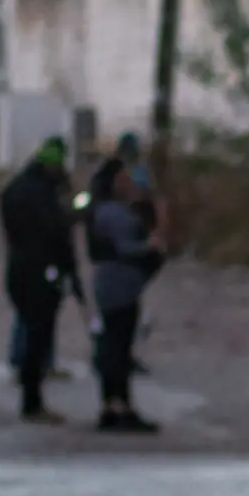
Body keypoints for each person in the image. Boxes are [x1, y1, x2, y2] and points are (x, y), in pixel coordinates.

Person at [0, 136, 82, 423]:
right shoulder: (47, 195)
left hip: (19, 268)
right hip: (42, 270)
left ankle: (29, 385)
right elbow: (58, 233)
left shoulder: (15, 189)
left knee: (31, 327)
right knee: (38, 333)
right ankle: (32, 401)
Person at [84, 156, 166, 433]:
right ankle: (121, 406)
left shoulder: (104, 211)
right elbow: (126, 247)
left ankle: (112, 405)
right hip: (120, 286)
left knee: (114, 344)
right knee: (119, 347)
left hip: (114, 284)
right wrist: (149, 245)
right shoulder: (113, 214)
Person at [114, 132, 164, 377]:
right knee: (125, 307)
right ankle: (120, 354)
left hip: (136, 248)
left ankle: (123, 353)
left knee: (130, 306)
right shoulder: (124, 176)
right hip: (130, 251)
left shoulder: (131, 174)